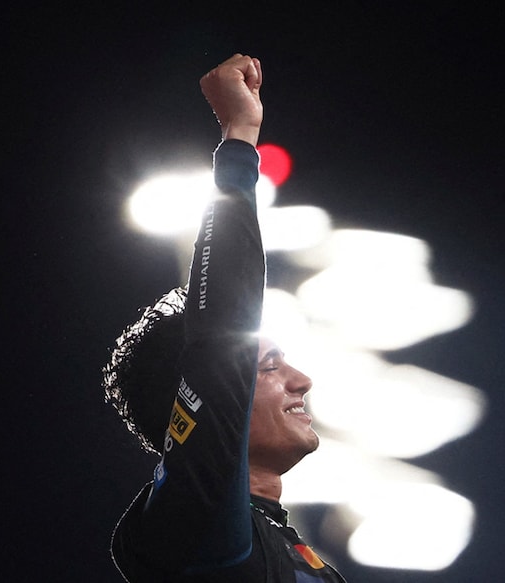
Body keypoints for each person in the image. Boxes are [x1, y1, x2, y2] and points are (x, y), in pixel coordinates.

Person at [101, 53, 348, 582]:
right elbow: (219, 337)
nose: (302, 380)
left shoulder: (287, 550)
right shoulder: (193, 528)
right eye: (269, 366)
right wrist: (239, 140)